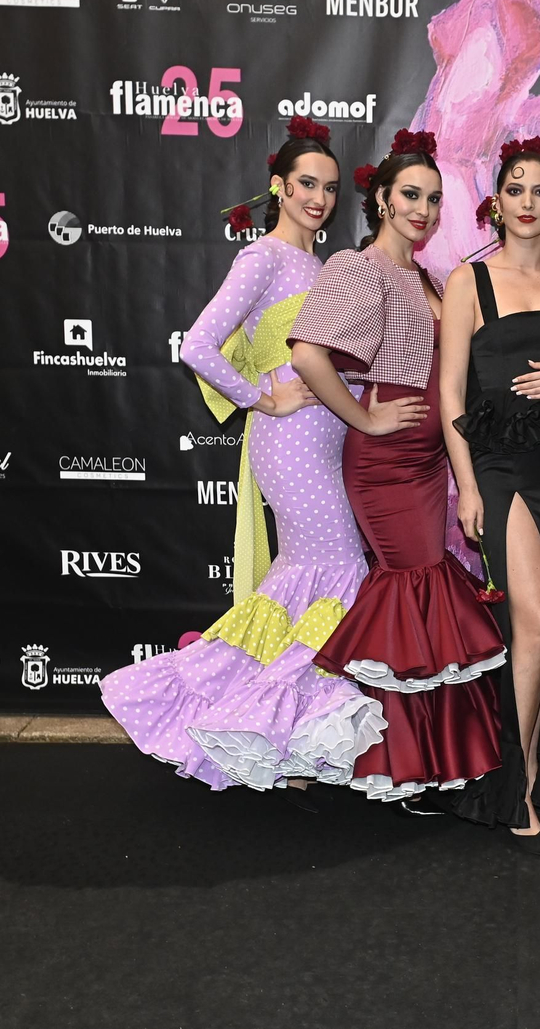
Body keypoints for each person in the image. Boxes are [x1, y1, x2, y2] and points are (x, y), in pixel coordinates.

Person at [100, 118, 386, 802]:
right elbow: (197, 345)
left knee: (309, 581)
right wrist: (260, 396)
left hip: (333, 439)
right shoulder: (262, 258)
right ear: (279, 188)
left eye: (328, 188)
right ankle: (262, 723)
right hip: (291, 445)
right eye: (305, 185)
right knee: (336, 571)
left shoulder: (323, 266)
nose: (318, 198)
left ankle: (279, 735)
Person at [289, 129, 506, 803]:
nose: (423, 209)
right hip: (386, 460)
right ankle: (395, 758)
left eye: (434, 200)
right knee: (412, 591)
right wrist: (364, 418)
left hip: (429, 455)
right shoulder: (360, 268)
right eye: (410, 195)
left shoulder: (426, 275)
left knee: (428, 596)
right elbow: (306, 354)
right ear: (380, 199)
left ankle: (432, 756)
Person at [435, 138, 540, 852]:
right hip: (503, 471)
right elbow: (448, 392)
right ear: (494, 203)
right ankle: (518, 774)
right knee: (533, 623)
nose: (527, 201)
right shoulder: (469, 283)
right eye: (515, 188)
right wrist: (466, 485)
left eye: (539, 190)